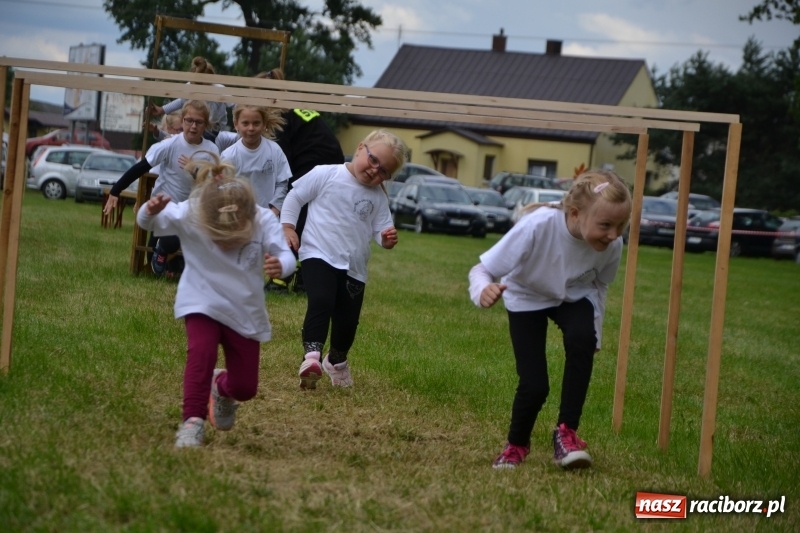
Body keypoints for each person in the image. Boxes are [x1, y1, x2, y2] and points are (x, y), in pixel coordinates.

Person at [468, 169, 632, 470]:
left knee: (582, 339)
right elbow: (481, 270)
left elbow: (599, 285)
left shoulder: (613, 245)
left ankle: (566, 434)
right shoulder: (538, 226)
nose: (613, 235)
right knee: (535, 385)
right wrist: (483, 291)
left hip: (573, 293)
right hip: (527, 294)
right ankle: (516, 445)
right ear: (575, 214)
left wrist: (595, 331)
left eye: (621, 226)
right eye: (606, 225)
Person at [136, 153, 296, 448]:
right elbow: (146, 221)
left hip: (244, 309)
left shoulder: (260, 217)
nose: (227, 241)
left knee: (246, 388)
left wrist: (282, 266)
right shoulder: (192, 211)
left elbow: (287, 254)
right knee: (201, 353)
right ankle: (192, 422)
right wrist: (149, 208)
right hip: (201, 298)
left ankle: (221, 388)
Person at [280, 129, 407, 389]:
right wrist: (288, 227)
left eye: (384, 171)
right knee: (321, 300)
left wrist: (387, 239)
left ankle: (336, 361)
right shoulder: (326, 173)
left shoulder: (378, 197)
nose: (375, 171)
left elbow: (380, 232)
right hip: (318, 253)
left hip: (354, 268)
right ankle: (311, 358)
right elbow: (295, 197)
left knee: (347, 323)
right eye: (373, 160)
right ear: (361, 148)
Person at [104, 100, 219, 277]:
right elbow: (141, 167)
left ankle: (172, 261)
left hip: (192, 208)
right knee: (170, 239)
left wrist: (195, 171)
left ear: (206, 125)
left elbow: (214, 184)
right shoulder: (170, 144)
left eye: (199, 122)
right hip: (165, 204)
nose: (193, 126)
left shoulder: (211, 150)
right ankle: (161, 251)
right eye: (189, 120)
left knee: (197, 237)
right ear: (182, 120)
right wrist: (115, 191)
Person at [258, 68, 346, 293]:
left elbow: (281, 163)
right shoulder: (292, 107)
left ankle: (281, 277)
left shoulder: (278, 117)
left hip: (314, 163)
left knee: (291, 212)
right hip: (331, 160)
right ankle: (306, 275)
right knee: (312, 217)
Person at [219, 104, 291, 214]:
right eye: (245, 123)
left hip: (269, 219)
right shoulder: (228, 155)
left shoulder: (274, 150)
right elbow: (224, 188)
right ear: (236, 125)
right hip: (240, 220)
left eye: (256, 123)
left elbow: (282, 183)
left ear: (264, 124)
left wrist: (273, 212)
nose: (251, 128)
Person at [150, 56, 231, 141]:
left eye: (205, 86)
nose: (201, 90)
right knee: (185, 137)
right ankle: (165, 138)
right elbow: (181, 101)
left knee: (204, 141)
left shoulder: (219, 89)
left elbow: (234, 103)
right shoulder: (190, 87)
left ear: (211, 81)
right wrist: (162, 109)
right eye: (198, 86)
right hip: (196, 123)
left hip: (215, 127)